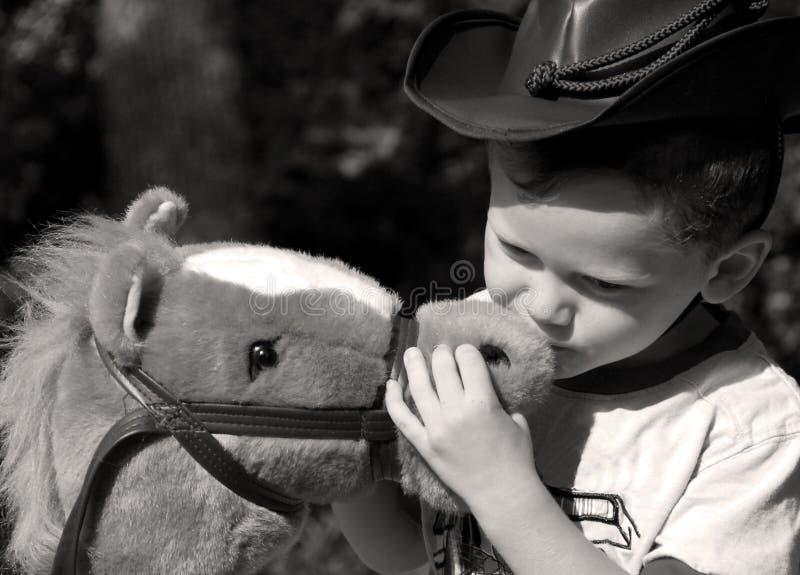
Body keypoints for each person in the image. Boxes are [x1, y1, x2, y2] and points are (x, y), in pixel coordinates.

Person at [332, 1, 800, 574]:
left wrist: (502, 491)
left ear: (727, 270)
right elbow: (407, 552)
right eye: (516, 250)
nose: (542, 307)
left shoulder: (746, 434)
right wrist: (346, 456)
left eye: (603, 283)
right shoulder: (471, 340)